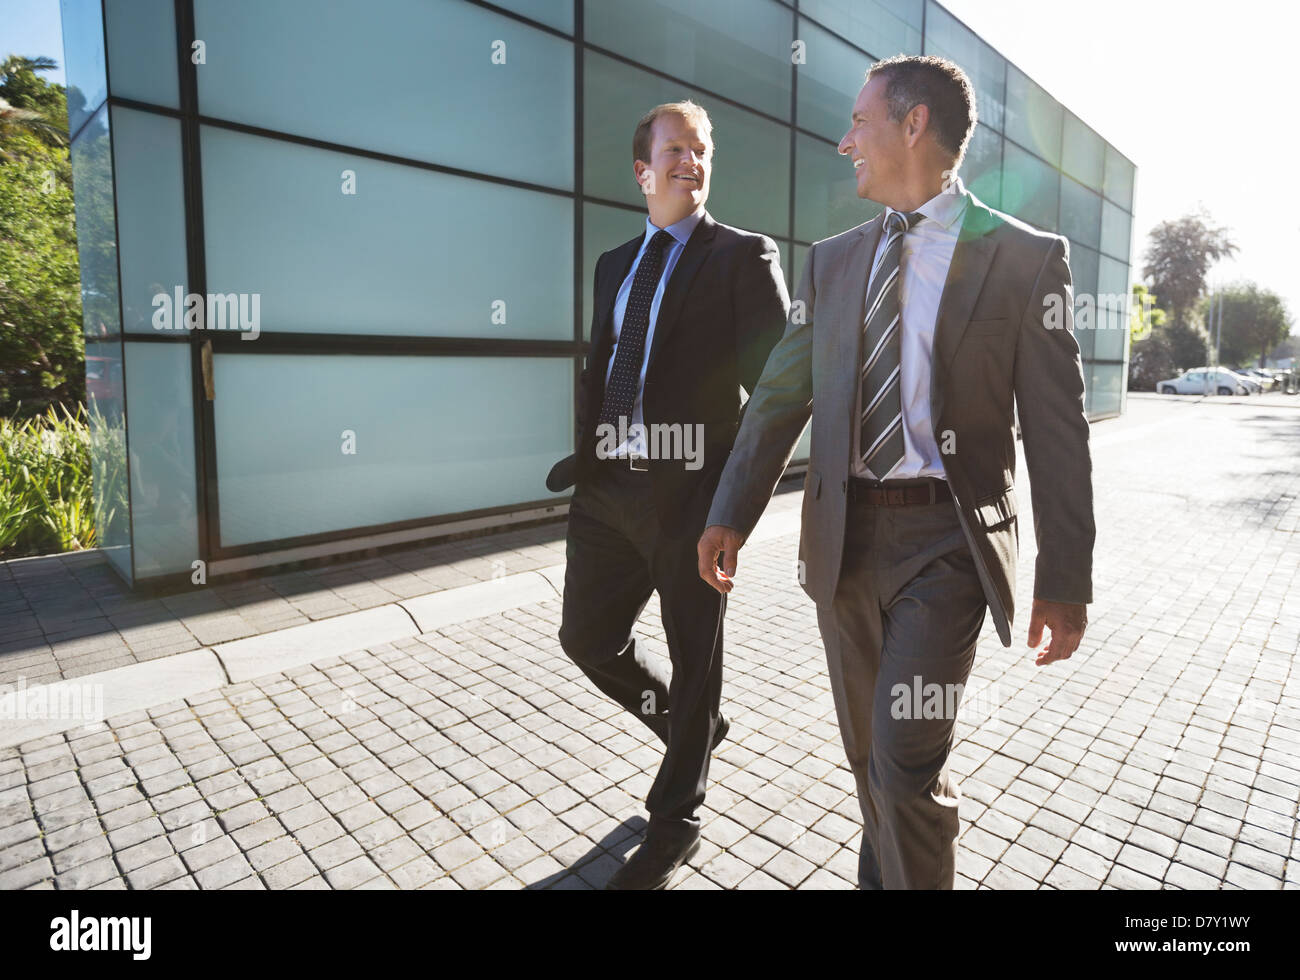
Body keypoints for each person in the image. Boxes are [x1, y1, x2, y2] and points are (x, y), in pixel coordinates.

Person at [697, 55, 1095, 890]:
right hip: (843, 540)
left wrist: (1067, 578)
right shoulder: (834, 262)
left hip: (946, 545)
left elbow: (1057, 430)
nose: (846, 143)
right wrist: (731, 507)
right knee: (866, 759)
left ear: (913, 125)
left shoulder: (1021, 258)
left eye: (859, 123)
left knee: (905, 764)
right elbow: (778, 394)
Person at [547, 101, 789, 889]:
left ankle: (676, 817)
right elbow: (600, 362)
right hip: (609, 491)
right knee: (587, 639)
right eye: (676, 149)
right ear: (642, 170)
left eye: (702, 149)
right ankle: (696, 730)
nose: (692, 160)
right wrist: (587, 455)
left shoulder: (741, 256)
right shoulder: (614, 262)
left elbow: (781, 387)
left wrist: (734, 502)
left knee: (696, 661)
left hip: (691, 501)